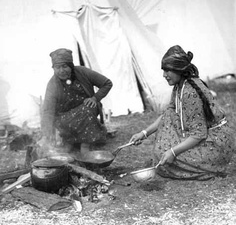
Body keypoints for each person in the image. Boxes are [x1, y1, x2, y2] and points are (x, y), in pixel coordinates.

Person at [130, 45, 234, 180]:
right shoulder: (179, 86)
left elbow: (199, 134)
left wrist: (173, 152)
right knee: (163, 145)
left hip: (216, 144)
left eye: (168, 71)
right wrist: (143, 133)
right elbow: (168, 114)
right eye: (164, 70)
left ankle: (213, 166)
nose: (164, 75)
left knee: (164, 159)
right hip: (205, 135)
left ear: (179, 70)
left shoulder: (190, 93)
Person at [40, 48, 112, 155]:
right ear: (53, 68)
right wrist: (46, 136)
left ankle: (85, 145)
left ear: (71, 66)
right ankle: (70, 141)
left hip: (87, 110)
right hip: (66, 117)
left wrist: (95, 98)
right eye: (57, 67)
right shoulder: (52, 84)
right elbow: (47, 111)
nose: (61, 70)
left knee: (87, 108)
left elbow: (107, 83)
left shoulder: (83, 72)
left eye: (65, 66)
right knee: (61, 120)